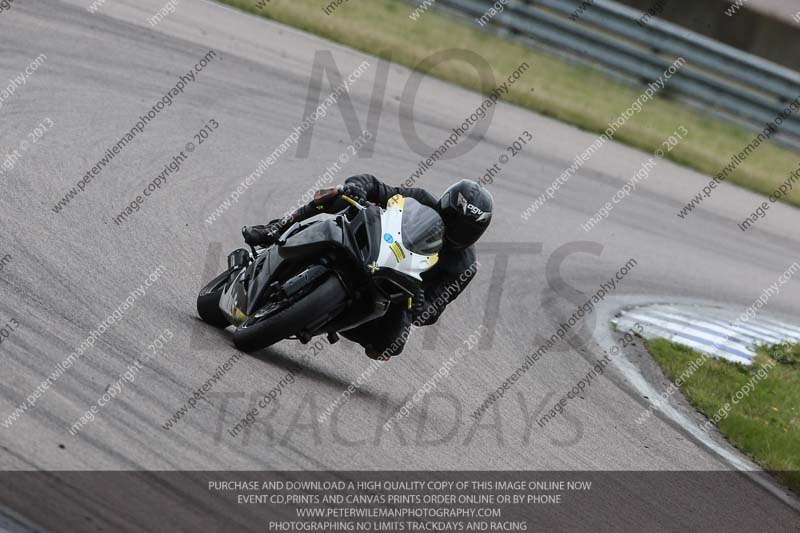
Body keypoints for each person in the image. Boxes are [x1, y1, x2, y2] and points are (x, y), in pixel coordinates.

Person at [242, 175, 493, 360]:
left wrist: (421, 307)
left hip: (394, 291)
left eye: (466, 229)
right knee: (341, 194)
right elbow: (376, 186)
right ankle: (275, 228)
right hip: (369, 245)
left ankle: (329, 318)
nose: (455, 229)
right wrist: (358, 187)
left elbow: (436, 306)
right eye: (452, 218)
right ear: (444, 205)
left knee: (390, 346)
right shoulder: (421, 199)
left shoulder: (464, 266)